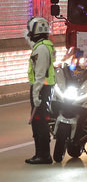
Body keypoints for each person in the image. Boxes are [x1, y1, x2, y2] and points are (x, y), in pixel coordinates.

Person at [25, 17, 56, 164]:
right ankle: (41, 154)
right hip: (44, 88)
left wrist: (36, 93)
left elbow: (40, 74)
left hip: (42, 89)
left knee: (39, 123)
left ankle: (43, 155)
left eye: (30, 29)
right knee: (39, 122)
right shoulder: (44, 46)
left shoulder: (41, 49)